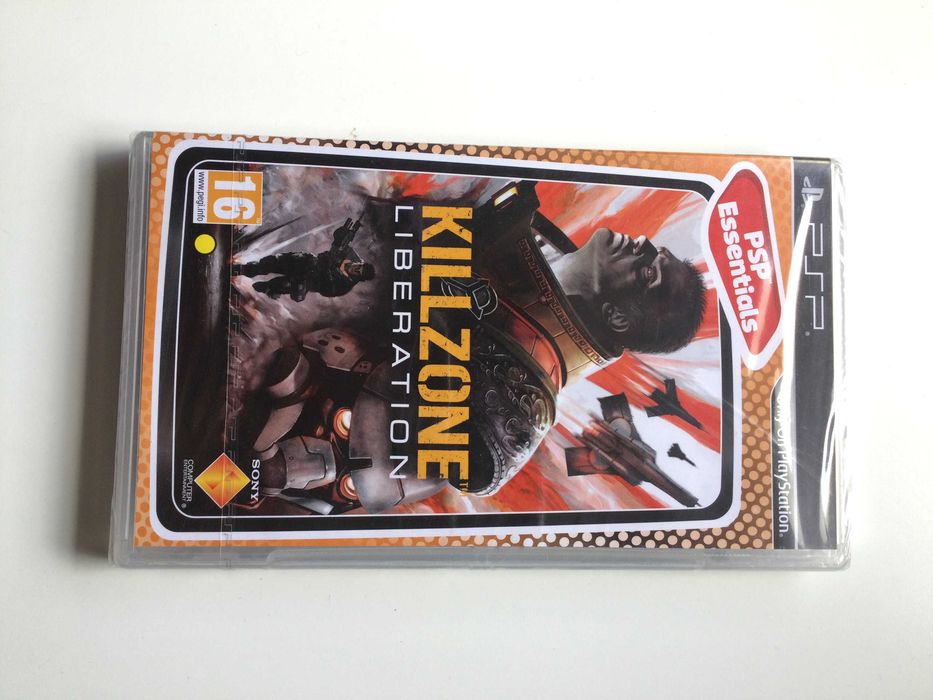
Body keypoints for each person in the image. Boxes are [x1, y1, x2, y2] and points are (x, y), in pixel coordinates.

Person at [237, 218, 375, 301]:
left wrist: (327, 270)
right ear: (360, 262)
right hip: (306, 262)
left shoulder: (344, 286)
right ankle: (243, 269)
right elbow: (338, 246)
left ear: (358, 278)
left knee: (287, 285)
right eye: (359, 266)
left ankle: (269, 287)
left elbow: (326, 291)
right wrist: (339, 236)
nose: (355, 268)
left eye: (358, 272)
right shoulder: (352, 257)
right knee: (269, 264)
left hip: (307, 280)